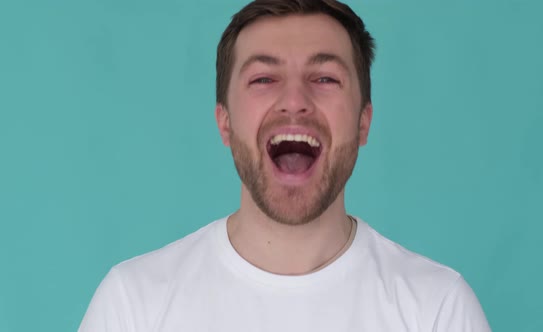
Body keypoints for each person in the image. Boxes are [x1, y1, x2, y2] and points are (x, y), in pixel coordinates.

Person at [79, 0, 491, 331]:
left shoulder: (438, 309)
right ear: (225, 122)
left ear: (364, 122)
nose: (295, 100)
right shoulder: (133, 305)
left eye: (325, 78)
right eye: (263, 79)